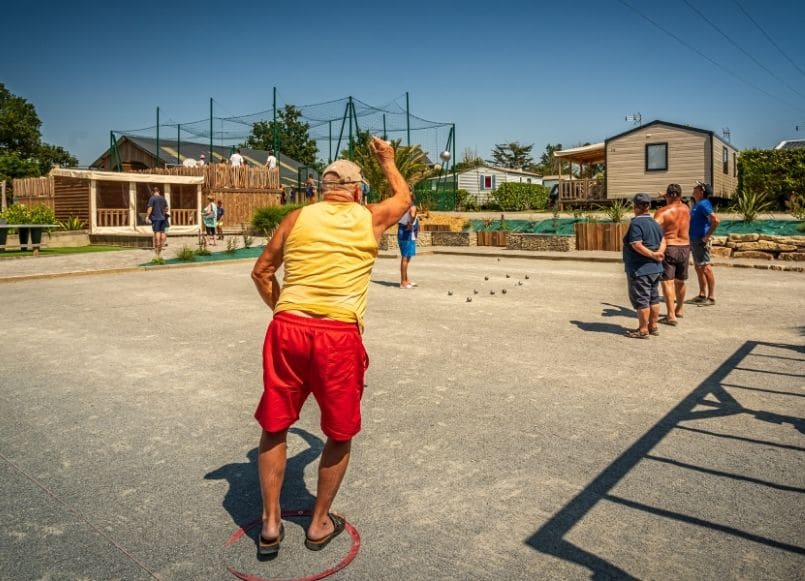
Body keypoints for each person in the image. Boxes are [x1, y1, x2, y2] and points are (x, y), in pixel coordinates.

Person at [250, 136, 411, 556]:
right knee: (339, 433)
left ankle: (270, 524)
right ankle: (318, 523)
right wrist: (388, 160)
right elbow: (404, 197)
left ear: (323, 189)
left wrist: (281, 310)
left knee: (274, 425)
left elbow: (261, 272)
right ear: (357, 190)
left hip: (287, 327)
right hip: (337, 336)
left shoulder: (296, 218)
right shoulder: (370, 217)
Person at [623, 193, 666, 339]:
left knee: (642, 299)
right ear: (648, 206)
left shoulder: (636, 223)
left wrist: (652, 255)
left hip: (640, 268)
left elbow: (636, 244)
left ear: (636, 206)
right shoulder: (655, 223)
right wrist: (659, 252)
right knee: (653, 298)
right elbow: (664, 240)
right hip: (656, 268)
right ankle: (653, 326)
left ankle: (642, 329)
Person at [653, 183, 690, 325]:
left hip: (669, 247)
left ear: (668, 195)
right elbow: (677, 200)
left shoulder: (662, 212)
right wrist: (666, 196)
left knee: (667, 282)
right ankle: (679, 309)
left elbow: (653, 229)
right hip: (685, 247)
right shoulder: (686, 209)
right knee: (680, 281)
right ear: (680, 196)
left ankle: (671, 315)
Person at [689, 181, 720, 306]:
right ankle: (702, 294)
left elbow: (715, 220)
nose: (694, 188)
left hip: (700, 240)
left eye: (696, 187)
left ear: (701, 191)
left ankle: (711, 297)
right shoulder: (698, 204)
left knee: (706, 268)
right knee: (698, 267)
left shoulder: (703, 204)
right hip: (695, 240)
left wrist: (707, 236)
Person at [398, 199, 419, 288]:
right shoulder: (412, 206)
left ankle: (406, 280)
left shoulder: (401, 207)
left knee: (406, 258)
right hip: (407, 233)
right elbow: (412, 214)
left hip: (403, 231)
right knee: (405, 258)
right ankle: (403, 282)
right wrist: (410, 223)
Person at [145, 186, 169, 256]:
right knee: (163, 231)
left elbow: (150, 208)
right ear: (159, 192)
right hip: (163, 218)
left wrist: (147, 216)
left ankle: (157, 245)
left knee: (157, 231)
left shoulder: (152, 198)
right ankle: (161, 245)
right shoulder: (163, 198)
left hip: (156, 218)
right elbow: (167, 209)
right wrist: (162, 212)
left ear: (153, 192)